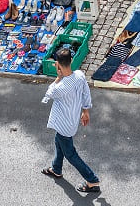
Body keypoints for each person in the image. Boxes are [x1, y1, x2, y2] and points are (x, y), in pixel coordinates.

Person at [41, 46, 101, 195]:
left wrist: (58, 77)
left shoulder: (60, 87)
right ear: (71, 60)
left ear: (57, 65)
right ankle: (56, 169)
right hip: (72, 120)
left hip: (63, 124)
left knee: (70, 154)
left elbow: (48, 95)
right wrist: (85, 111)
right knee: (58, 142)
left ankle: (92, 180)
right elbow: (86, 93)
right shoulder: (79, 75)